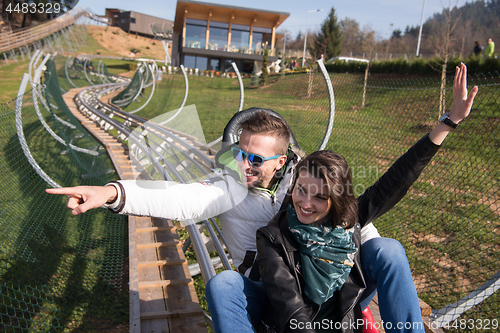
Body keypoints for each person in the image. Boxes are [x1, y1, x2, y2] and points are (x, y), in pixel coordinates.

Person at [47, 64, 478, 333]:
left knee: (386, 248)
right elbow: (182, 200)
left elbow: (374, 200)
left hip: (329, 288)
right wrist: (110, 192)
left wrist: (446, 124)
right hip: (272, 293)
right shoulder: (231, 184)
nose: (243, 164)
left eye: (255, 158)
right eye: (238, 152)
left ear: (284, 160)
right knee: (224, 282)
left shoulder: (305, 181)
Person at [255, 150, 368, 332]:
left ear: (336, 199)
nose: (306, 204)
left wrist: (432, 139)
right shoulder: (272, 238)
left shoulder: (345, 228)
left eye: (320, 197)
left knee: (387, 249)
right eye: (301, 190)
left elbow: (393, 184)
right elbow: (291, 309)